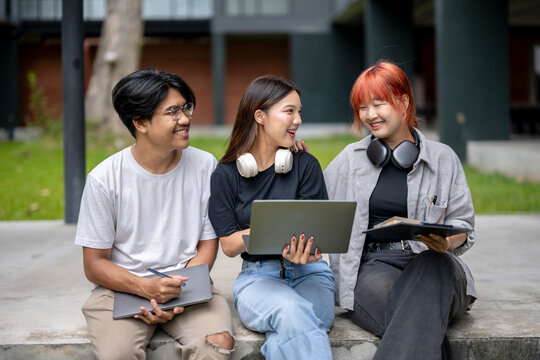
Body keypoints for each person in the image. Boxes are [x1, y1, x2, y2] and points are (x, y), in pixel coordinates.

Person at [75, 68, 234, 360]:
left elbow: (207, 243)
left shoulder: (204, 165)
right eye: (172, 112)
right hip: (120, 288)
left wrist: (184, 288)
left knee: (217, 342)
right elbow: (95, 264)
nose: (185, 119)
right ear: (140, 122)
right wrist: (145, 288)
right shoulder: (104, 179)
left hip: (187, 283)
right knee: (117, 354)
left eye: (186, 107)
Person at [324, 61, 476, 360]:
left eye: (378, 104)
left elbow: (463, 226)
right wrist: (296, 157)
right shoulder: (349, 160)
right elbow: (313, 204)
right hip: (373, 267)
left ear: (404, 101)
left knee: (432, 267)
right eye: (362, 107)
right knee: (419, 320)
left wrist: (446, 241)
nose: (370, 115)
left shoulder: (443, 158)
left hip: (436, 263)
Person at [208, 75, 335, 359]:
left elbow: (317, 230)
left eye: (299, 111)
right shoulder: (226, 175)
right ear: (260, 116)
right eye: (289, 111)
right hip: (257, 277)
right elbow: (228, 245)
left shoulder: (305, 164)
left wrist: (309, 251)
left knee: (292, 323)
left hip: (310, 274)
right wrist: (265, 229)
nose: (298, 119)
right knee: (292, 311)